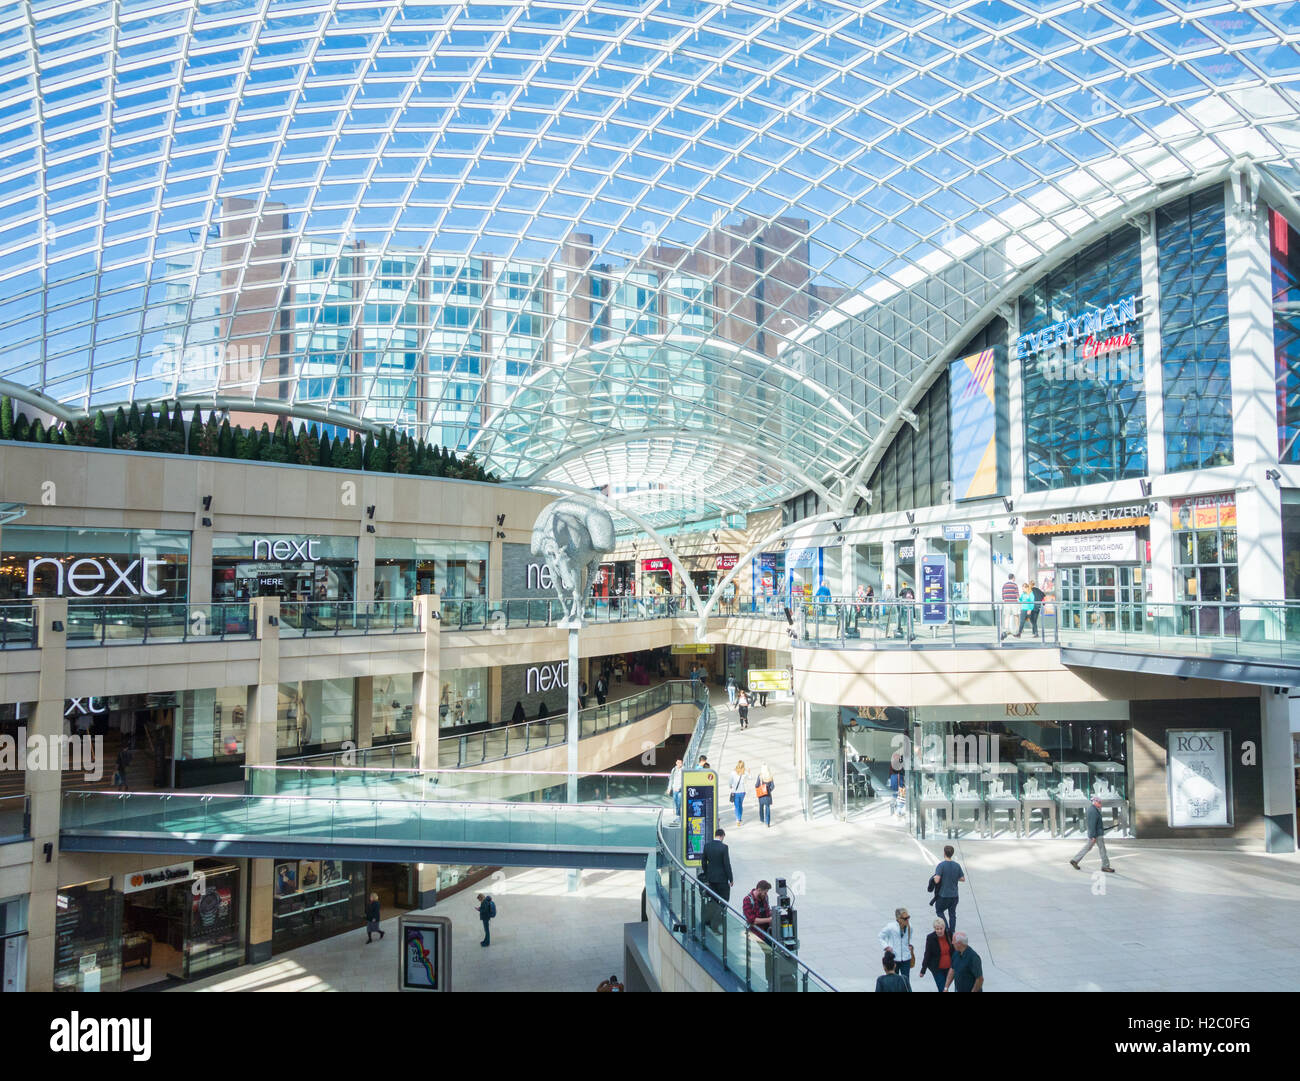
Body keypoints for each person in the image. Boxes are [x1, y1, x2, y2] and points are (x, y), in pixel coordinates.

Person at [1070, 795, 1116, 873]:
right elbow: (1091, 824)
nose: (1100, 803)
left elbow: (1094, 824)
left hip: (1096, 833)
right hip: (1096, 835)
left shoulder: (1094, 809)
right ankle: (1105, 866)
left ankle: (1075, 860)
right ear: (1095, 802)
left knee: (1088, 847)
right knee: (1102, 850)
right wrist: (1093, 836)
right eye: (1099, 802)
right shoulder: (1093, 811)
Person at [932, 844, 966, 934]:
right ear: (952, 854)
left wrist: (934, 878)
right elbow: (962, 879)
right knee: (952, 913)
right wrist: (954, 878)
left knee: (939, 910)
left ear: (944, 853)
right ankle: (952, 931)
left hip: (943, 895)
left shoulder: (941, 865)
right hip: (954, 895)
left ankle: (946, 928)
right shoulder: (957, 865)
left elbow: (937, 880)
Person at [878, 908, 915, 987]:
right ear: (898, 919)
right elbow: (880, 936)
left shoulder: (909, 927)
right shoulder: (891, 927)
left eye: (908, 917)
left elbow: (910, 937)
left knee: (906, 981)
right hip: (894, 958)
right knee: (894, 981)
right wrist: (886, 946)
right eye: (905, 918)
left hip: (906, 958)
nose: (907, 920)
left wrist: (910, 945)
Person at [699, 827, 733, 903]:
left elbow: (703, 862)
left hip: (711, 878)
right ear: (722, 836)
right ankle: (721, 913)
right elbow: (727, 864)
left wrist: (706, 872)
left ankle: (715, 913)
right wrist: (731, 879)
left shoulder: (707, 846)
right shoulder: (724, 847)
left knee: (713, 899)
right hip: (722, 879)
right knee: (724, 899)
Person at [919, 918, 953, 993]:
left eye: (941, 928)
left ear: (944, 927)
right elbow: (927, 954)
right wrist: (923, 970)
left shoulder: (949, 934)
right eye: (937, 929)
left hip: (949, 968)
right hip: (937, 968)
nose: (939, 931)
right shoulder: (930, 938)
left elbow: (954, 950)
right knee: (942, 989)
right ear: (934, 929)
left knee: (946, 988)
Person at [1000, 572, 1021, 640]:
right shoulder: (1015, 585)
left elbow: (1003, 595)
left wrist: (1005, 599)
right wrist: (1019, 599)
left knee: (1007, 616)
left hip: (1006, 602)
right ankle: (1017, 629)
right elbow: (1017, 595)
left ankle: (1006, 629)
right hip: (1014, 602)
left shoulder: (1004, 585)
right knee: (1016, 615)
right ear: (1013, 578)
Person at [728, 760, 749, 825]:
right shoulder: (744, 772)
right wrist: (748, 773)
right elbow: (749, 778)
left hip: (735, 792)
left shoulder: (733, 772)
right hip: (742, 792)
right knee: (740, 805)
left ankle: (738, 819)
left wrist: (730, 786)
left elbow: (730, 781)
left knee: (736, 806)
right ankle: (739, 818)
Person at [755, 762, 775, 826]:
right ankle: (768, 822)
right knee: (768, 807)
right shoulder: (770, 776)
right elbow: (773, 786)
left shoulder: (760, 776)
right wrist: (769, 790)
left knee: (761, 807)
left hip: (761, 795)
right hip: (768, 795)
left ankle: (762, 819)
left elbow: (756, 785)